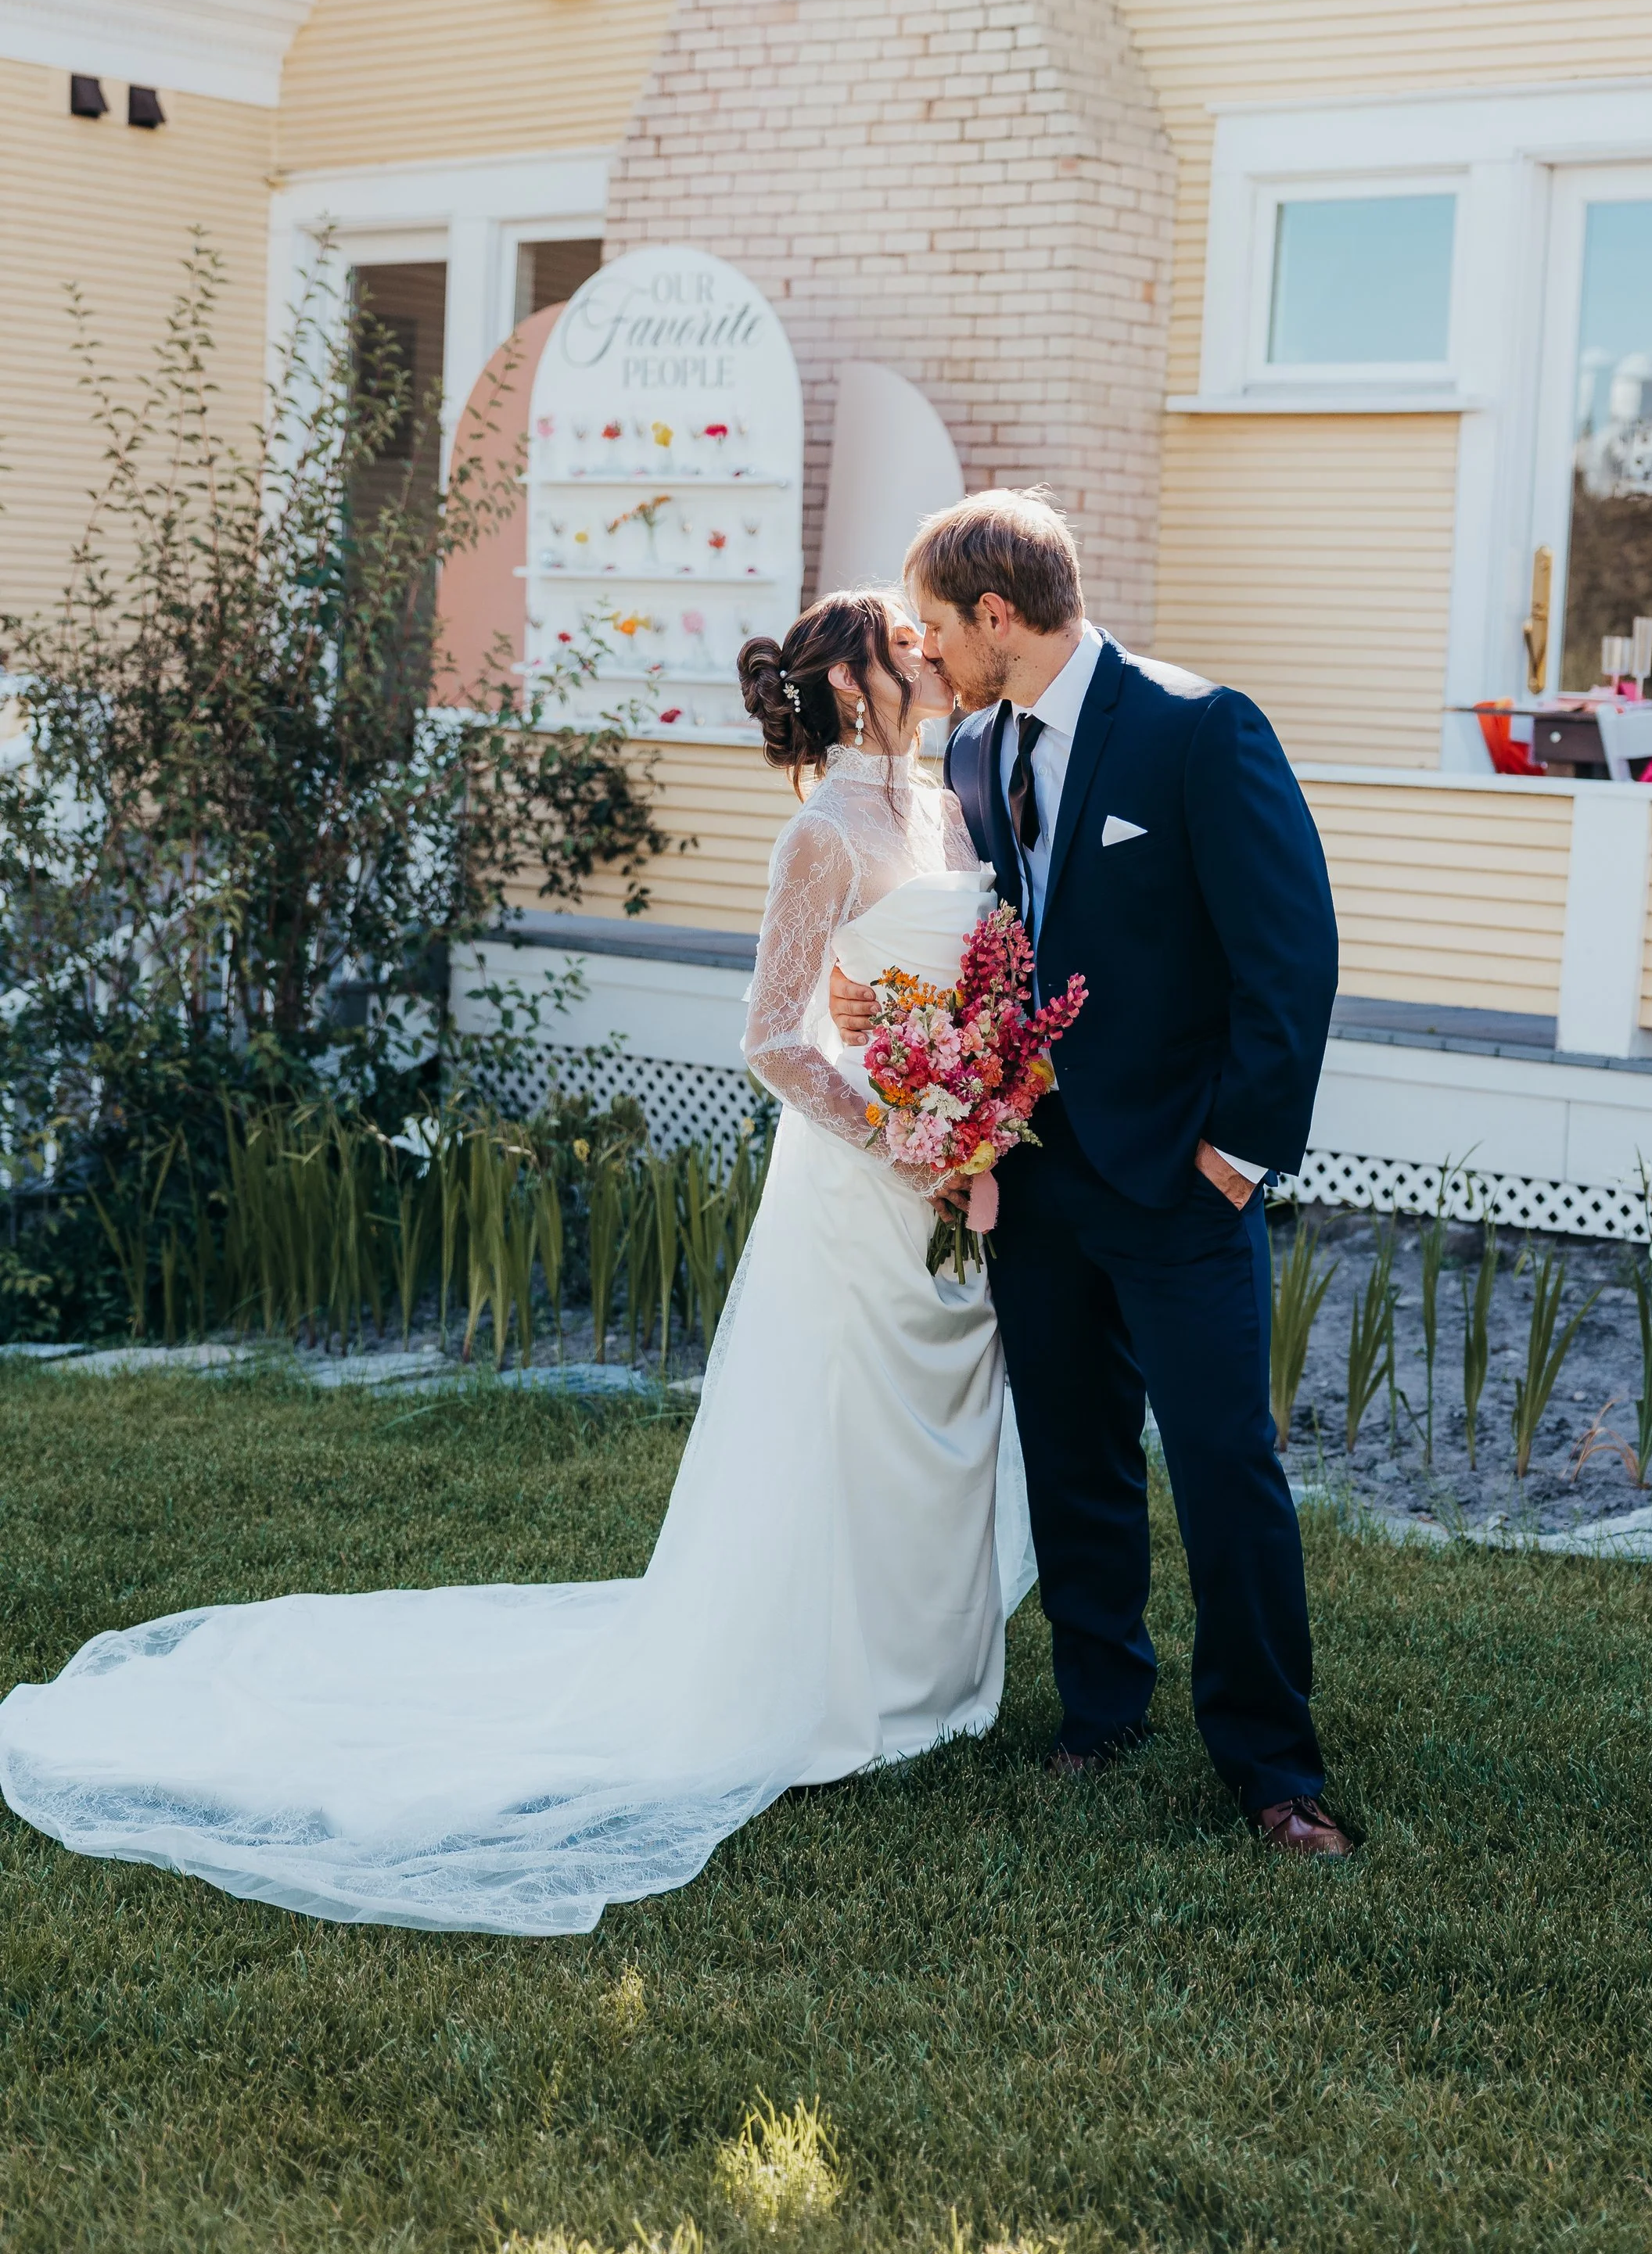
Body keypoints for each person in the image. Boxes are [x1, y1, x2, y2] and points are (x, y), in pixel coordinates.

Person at [0, 594, 1036, 1936]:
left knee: (929, 1423)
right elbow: (777, 1039)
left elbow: (957, 987)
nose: (924, 657)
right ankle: (828, 1690)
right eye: (900, 647)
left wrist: (977, 1104)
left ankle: (932, 1680)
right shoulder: (820, 834)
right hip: (863, 1183)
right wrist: (903, 1138)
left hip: (951, 1173)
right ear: (849, 686)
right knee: (839, 1427)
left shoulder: (949, 809)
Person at [830, 490, 1350, 1858]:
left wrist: (1234, 1158)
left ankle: (1271, 1767)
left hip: (1185, 1189)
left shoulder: (1199, 728)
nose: (929, 657)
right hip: (1038, 1186)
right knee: (1071, 1460)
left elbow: (1290, 955)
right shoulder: (969, 753)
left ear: (999, 614)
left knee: (1228, 1471)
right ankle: (1101, 1708)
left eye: (940, 630)